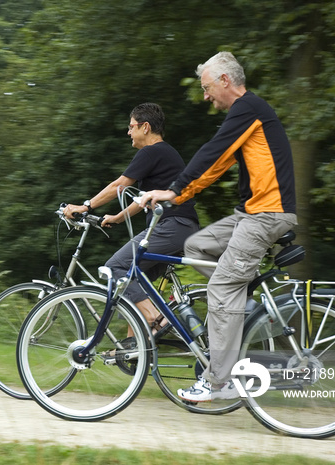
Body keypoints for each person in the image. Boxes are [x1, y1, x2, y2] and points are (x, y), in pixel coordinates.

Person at [140, 51, 298, 402]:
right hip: (252, 213)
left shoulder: (249, 108)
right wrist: (178, 195)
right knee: (197, 246)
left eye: (208, 87)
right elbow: (218, 163)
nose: (206, 95)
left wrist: (175, 190)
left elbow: (214, 152)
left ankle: (218, 382)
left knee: (222, 289)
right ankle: (239, 313)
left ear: (226, 81)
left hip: (267, 214)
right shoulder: (248, 114)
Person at [64, 102, 199, 335]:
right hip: (182, 228)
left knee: (115, 268)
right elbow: (143, 200)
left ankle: (158, 321)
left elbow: (119, 185)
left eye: (131, 126)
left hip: (172, 226)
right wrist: (117, 217)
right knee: (130, 282)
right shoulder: (165, 153)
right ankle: (132, 349)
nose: (128, 132)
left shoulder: (151, 151)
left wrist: (85, 206)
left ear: (145, 127)